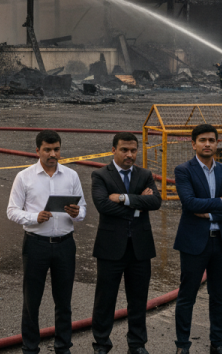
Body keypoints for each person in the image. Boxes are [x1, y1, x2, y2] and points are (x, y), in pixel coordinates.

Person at [7, 130, 86, 354]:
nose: (53, 154)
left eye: (57, 149)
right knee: (32, 301)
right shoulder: (24, 177)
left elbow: (84, 211)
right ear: (37, 151)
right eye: (48, 150)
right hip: (35, 245)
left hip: (65, 245)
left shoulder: (71, 176)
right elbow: (12, 211)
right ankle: (30, 348)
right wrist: (34, 217)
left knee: (64, 301)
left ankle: (63, 347)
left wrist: (76, 212)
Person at [173, 123, 222, 354]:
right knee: (187, 296)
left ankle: (218, 343)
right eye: (202, 140)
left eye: (211, 140)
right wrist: (221, 201)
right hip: (194, 242)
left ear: (217, 143)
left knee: (218, 297)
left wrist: (212, 212)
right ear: (193, 144)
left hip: (221, 242)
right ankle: (183, 345)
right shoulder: (184, 170)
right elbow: (189, 203)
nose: (207, 144)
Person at [90, 132, 162, 354]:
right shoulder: (100, 175)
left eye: (133, 150)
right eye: (124, 150)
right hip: (111, 247)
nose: (129, 155)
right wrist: (140, 202)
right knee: (105, 299)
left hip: (140, 248)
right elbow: (103, 206)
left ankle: (137, 344)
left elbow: (156, 202)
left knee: (138, 300)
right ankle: (101, 344)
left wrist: (124, 198)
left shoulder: (145, 174)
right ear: (113, 150)